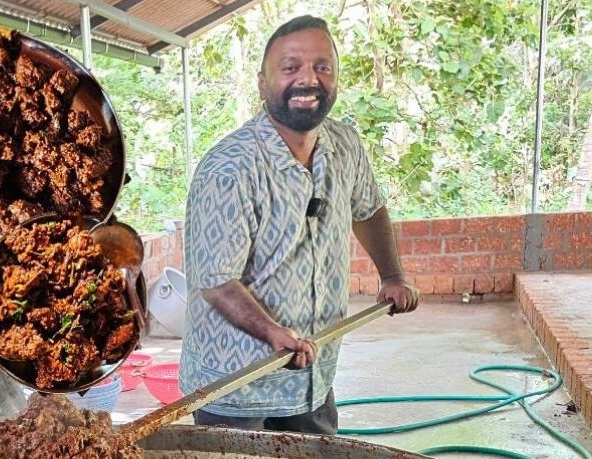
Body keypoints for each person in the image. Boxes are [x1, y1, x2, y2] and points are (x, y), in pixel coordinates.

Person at [179, 15, 419, 435]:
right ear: (262, 82)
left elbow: (369, 208)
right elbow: (216, 281)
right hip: (236, 388)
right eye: (290, 68)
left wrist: (393, 275)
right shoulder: (228, 169)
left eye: (322, 67)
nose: (308, 79)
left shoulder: (345, 145)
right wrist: (271, 331)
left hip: (313, 375)